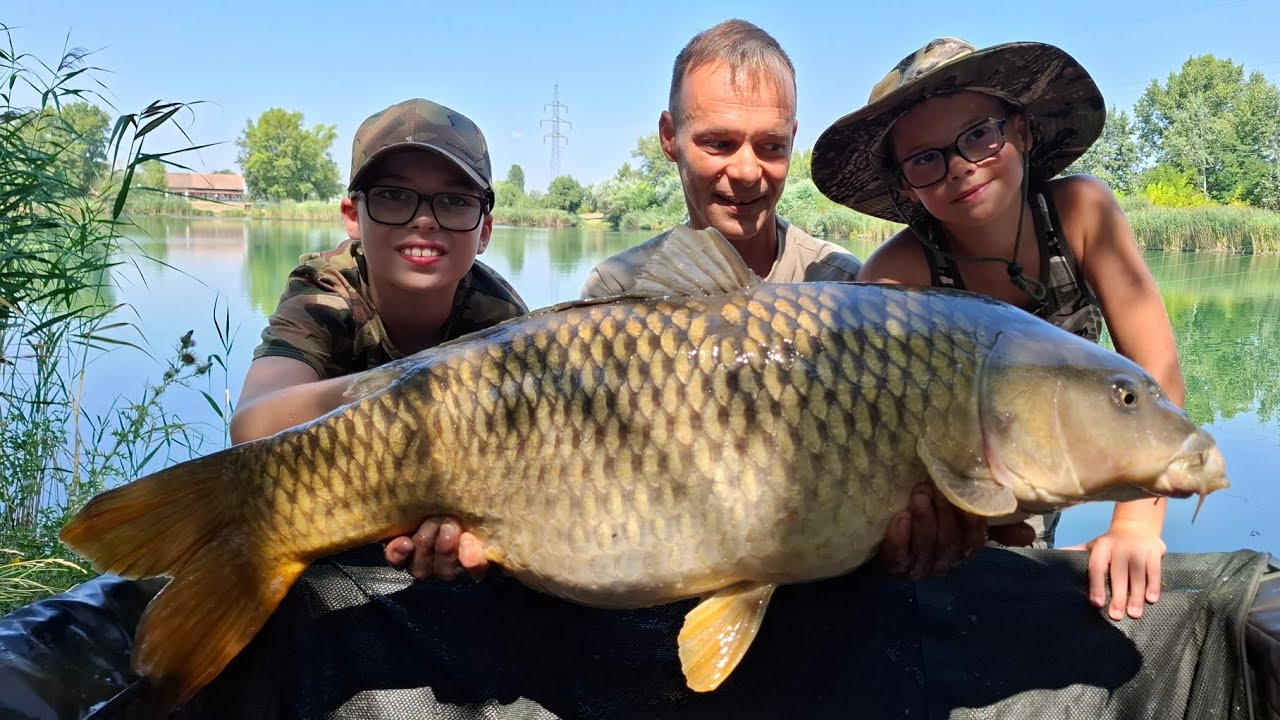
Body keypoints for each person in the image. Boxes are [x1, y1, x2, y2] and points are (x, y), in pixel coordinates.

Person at [399, 20, 1023, 586]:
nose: (748, 171)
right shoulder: (618, 290)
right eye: (719, 143)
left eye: (771, 146)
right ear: (670, 138)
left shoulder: (844, 287)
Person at [810, 38, 1186, 621]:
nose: (959, 165)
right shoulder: (894, 275)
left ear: (1021, 132)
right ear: (908, 185)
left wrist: (1137, 523)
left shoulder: (1083, 213)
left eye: (978, 135)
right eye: (926, 159)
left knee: (1029, 586)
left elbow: (1154, 372)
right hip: (942, 481)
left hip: (1046, 460)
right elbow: (867, 428)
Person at [228, 97, 528, 576]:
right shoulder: (327, 289)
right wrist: (421, 390)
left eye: (454, 201)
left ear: (485, 230)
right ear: (352, 215)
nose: (424, 219)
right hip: (323, 501)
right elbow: (252, 424)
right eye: (393, 195)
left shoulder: (499, 315)